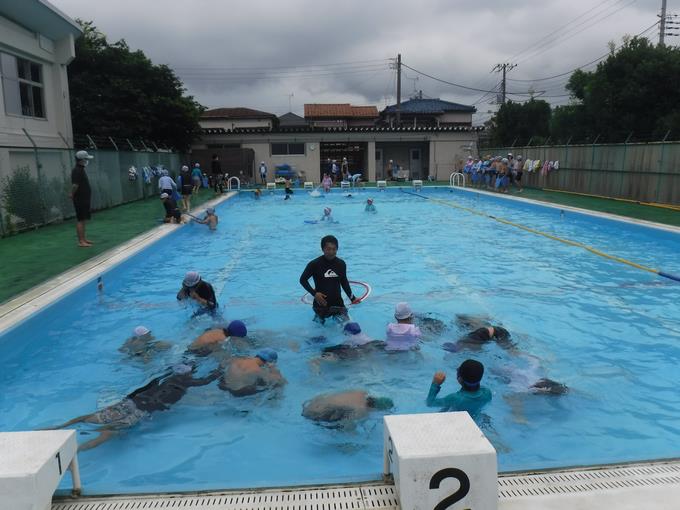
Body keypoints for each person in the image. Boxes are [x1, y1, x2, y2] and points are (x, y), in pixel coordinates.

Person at [53, 362, 219, 450]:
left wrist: (125, 400)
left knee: (90, 417)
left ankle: (61, 426)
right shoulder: (188, 381)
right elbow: (207, 380)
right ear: (189, 373)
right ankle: (78, 451)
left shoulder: (161, 377)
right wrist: (220, 369)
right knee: (108, 433)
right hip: (141, 411)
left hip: (130, 402)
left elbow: (142, 387)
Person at [299, 235, 359, 324]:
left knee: (349, 327)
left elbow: (344, 282)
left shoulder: (341, 264)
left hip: (338, 304)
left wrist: (352, 298)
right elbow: (303, 280)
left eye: (334, 249)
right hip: (321, 305)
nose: (331, 252)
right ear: (323, 249)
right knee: (320, 333)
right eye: (328, 249)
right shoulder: (314, 264)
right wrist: (315, 294)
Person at [426, 359, 492, 417]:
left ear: (460, 379)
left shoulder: (455, 398)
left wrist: (435, 383)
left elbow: (430, 403)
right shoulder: (487, 393)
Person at [218, 348, 286, 397]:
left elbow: (223, 364)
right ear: (268, 362)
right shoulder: (258, 371)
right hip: (237, 392)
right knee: (276, 385)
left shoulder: (238, 359)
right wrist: (272, 368)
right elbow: (280, 381)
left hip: (222, 385)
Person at [302, 390, 393, 425]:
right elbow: (348, 425)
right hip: (315, 414)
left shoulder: (361, 392)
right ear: (375, 409)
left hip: (313, 403)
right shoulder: (361, 410)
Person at [320, 322, 385, 360]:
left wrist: (325, 349)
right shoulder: (364, 335)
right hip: (374, 343)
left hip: (361, 350)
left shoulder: (350, 339)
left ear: (347, 332)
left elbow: (340, 347)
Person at [70, 150, 94, 247]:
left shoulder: (81, 169)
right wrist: (71, 194)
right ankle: (81, 241)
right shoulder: (77, 170)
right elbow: (75, 185)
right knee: (80, 219)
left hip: (84, 198)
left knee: (83, 219)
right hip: (80, 199)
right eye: (86, 159)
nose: (87, 161)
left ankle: (83, 239)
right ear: (81, 160)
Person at [442, 325, 514, 353]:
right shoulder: (461, 341)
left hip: (499, 333)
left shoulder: (472, 344)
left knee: (512, 352)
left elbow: (480, 350)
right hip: (492, 330)